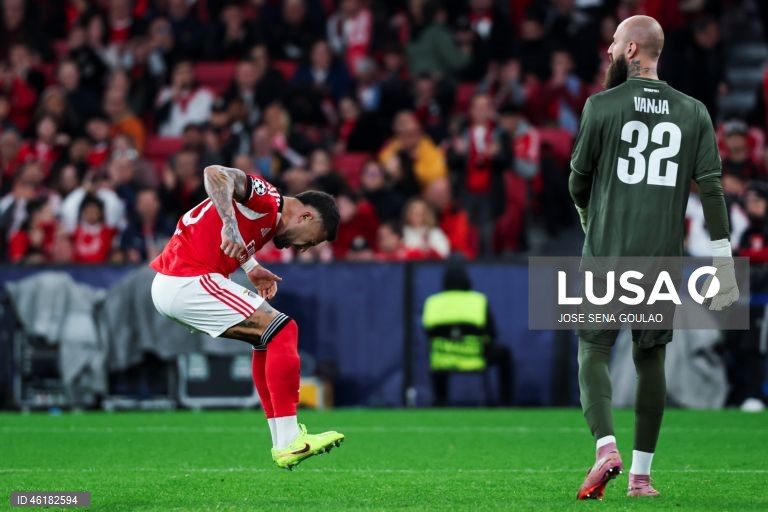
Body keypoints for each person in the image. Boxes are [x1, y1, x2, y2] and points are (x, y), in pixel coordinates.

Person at [568, 16, 739, 500]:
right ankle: (641, 477)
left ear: (630, 50)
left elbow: (577, 181)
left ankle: (606, 447)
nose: (608, 50)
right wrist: (724, 262)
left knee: (594, 348)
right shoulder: (694, 112)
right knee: (650, 358)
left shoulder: (601, 105)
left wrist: (588, 215)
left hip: (606, 252)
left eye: (615, 43)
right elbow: (711, 190)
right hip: (661, 259)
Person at [149, 164, 343, 470]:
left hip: (179, 282)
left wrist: (250, 267)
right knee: (285, 330)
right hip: (185, 280)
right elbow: (215, 173)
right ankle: (290, 439)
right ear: (306, 217)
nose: (304, 248)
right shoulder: (268, 199)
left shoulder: (266, 218)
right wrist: (228, 223)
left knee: (266, 340)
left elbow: (234, 231)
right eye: (313, 240)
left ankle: (284, 444)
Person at [421, 263, 512, 406]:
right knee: (504, 353)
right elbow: (492, 333)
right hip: (475, 357)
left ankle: (440, 402)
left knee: (434, 353)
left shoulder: (433, 302)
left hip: (442, 359)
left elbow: (427, 333)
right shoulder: (478, 300)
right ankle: (507, 403)